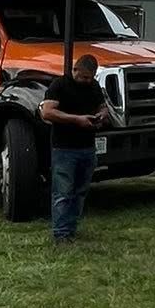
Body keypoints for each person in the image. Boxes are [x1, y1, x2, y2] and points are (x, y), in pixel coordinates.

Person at [40, 54, 112, 243]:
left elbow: (103, 106)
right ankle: (61, 233)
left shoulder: (94, 87)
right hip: (64, 147)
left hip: (87, 146)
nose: (85, 81)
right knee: (63, 192)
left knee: (79, 192)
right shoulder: (59, 85)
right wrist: (76, 120)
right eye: (83, 77)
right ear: (75, 70)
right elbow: (47, 112)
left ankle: (71, 227)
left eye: (89, 78)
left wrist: (101, 116)